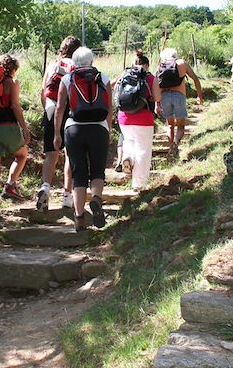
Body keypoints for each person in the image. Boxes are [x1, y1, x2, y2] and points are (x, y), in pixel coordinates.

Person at [53, 47, 112, 231]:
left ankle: (79, 218)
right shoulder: (103, 78)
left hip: (74, 129)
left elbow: (60, 108)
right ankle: (95, 199)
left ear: (74, 62)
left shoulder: (67, 78)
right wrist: (108, 130)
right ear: (92, 61)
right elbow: (109, 109)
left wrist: (57, 133)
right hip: (99, 128)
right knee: (97, 171)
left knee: (78, 174)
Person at [0, 54, 31, 221]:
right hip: (7, 126)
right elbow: (15, 106)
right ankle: (10, 185)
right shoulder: (12, 83)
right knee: (22, 154)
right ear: (13, 69)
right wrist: (24, 129)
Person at [36, 36, 80, 212]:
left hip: (51, 108)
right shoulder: (76, 66)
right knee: (71, 155)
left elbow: (43, 91)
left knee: (50, 154)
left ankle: (45, 187)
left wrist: (47, 111)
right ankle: (67, 196)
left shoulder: (52, 65)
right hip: (70, 111)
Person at [112, 50, 161, 190]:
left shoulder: (124, 74)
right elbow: (157, 98)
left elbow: (111, 85)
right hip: (144, 118)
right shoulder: (150, 78)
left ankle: (127, 157)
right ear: (146, 65)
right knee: (143, 150)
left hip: (124, 117)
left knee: (129, 141)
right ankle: (139, 185)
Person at [156, 47, 203, 158]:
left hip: (164, 97)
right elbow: (195, 79)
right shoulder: (182, 63)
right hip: (179, 96)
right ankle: (175, 144)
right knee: (181, 126)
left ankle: (170, 148)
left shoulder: (160, 66)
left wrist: (156, 104)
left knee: (170, 125)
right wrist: (199, 96)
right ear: (175, 55)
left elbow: (156, 85)